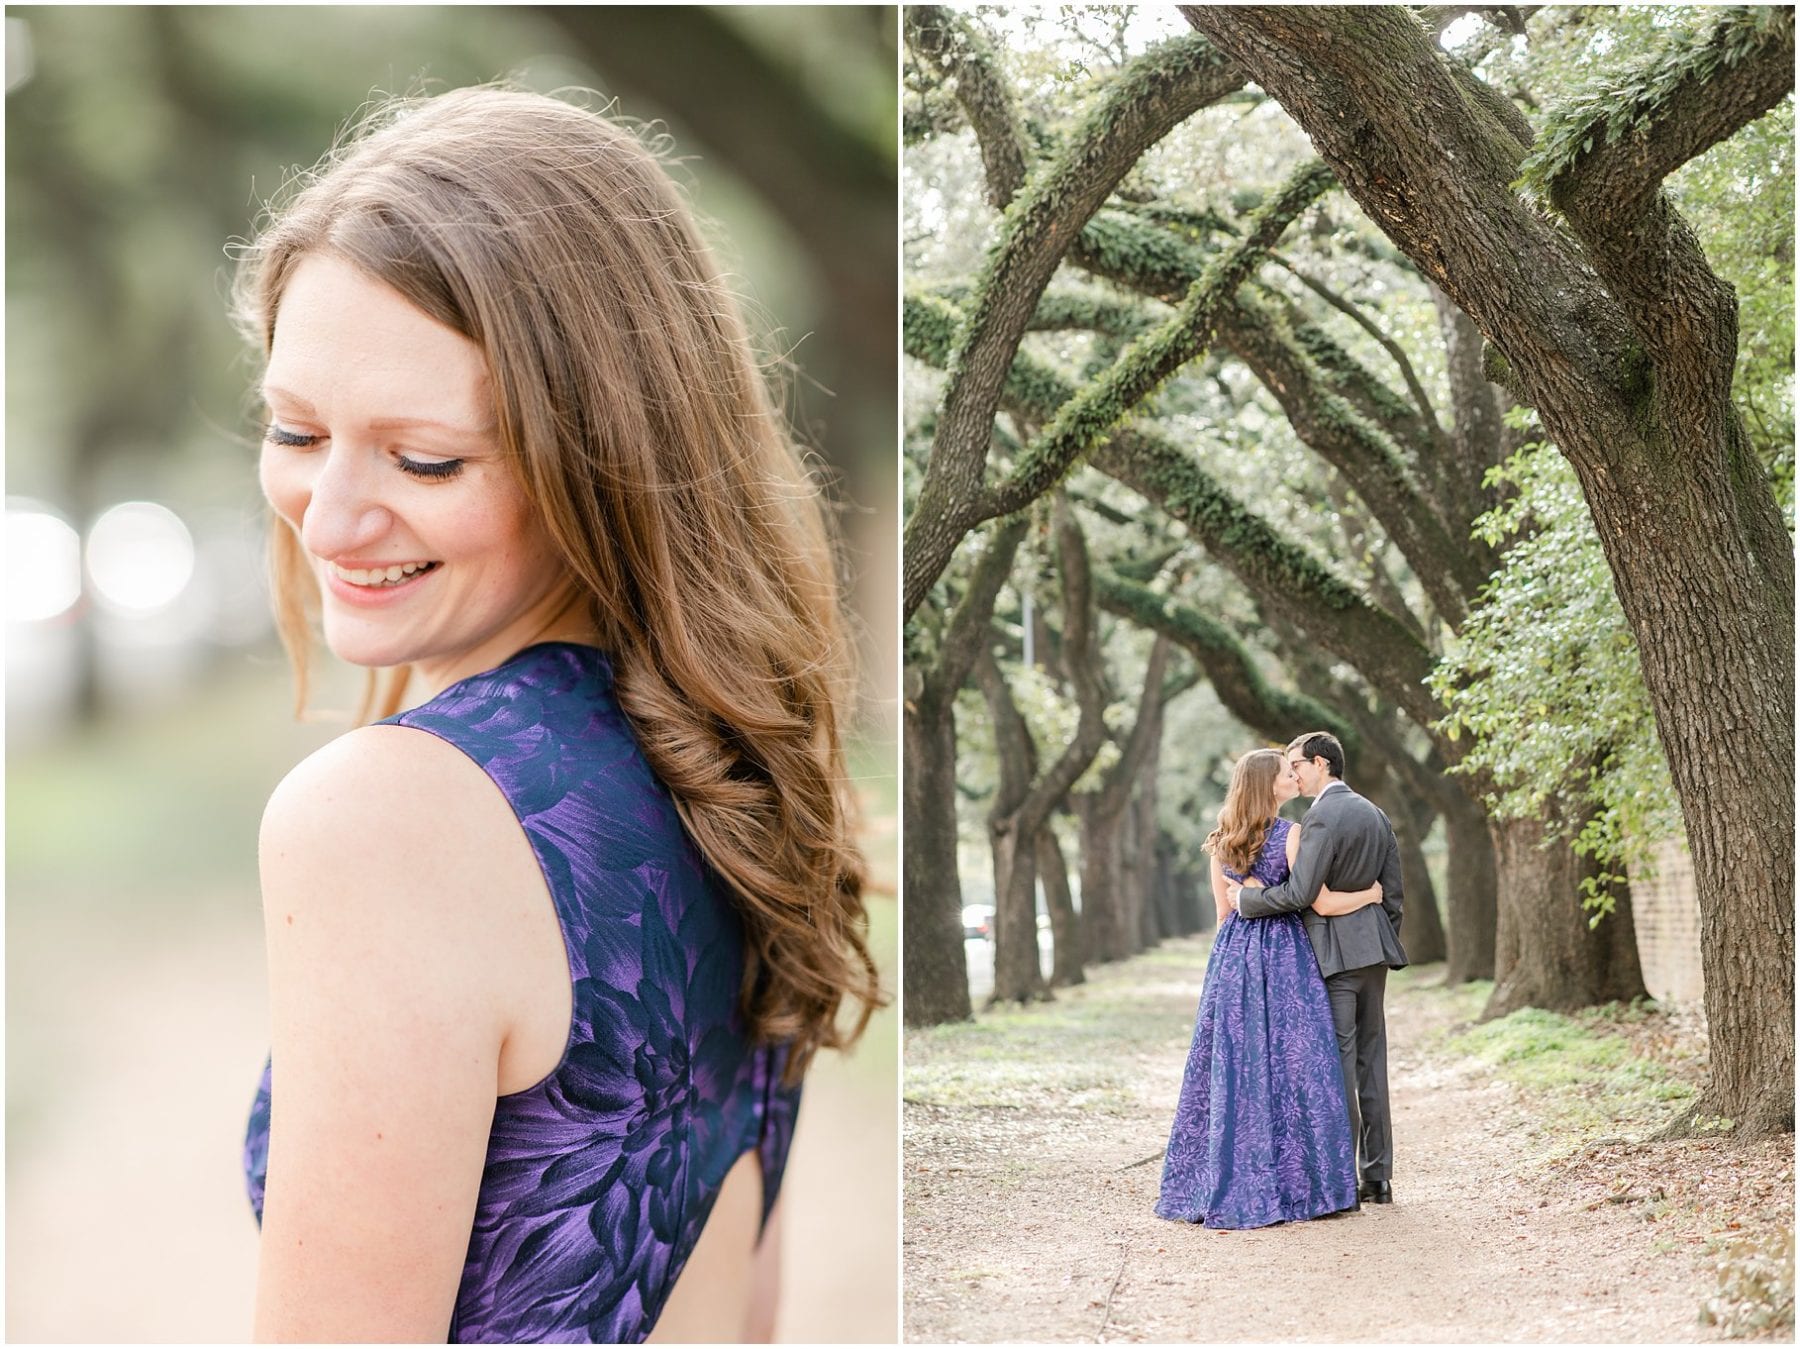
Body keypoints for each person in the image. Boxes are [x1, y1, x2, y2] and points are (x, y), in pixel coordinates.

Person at [234, 85, 882, 1342]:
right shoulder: (741, 774)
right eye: (297, 430)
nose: (330, 514)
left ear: (600, 451)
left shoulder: (392, 816)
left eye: (426, 459)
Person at [1155, 748, 1380, 1229]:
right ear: (1267, 785)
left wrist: (1231, 949)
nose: (1293, 777)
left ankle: (1227, 1177)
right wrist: (1370, 893)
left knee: (1238, 1066)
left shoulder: (1221, 842)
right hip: (1285, 960)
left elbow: (1223, 915)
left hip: (1233, 960)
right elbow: (1312, 902)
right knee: (1297, 1064)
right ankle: (1305, 1183)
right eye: (1284, 772)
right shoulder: (1291, 833)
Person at [1228, 731, 1408, 1205]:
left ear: (1322, 764)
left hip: (1334, 957)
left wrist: (1246, 899)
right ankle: (1379, 1177)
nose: (1294, 774)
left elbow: (1300, 895)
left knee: (1337, 1068)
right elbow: (1393, 892)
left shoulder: (1321, 818)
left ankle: (1340, 1180)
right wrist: (1378, 932)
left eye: (1297, 765)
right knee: (1373, 1061)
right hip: (1374, 954)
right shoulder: (1375, 812)